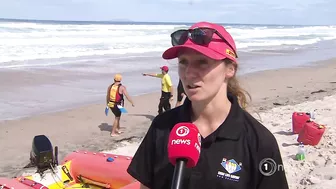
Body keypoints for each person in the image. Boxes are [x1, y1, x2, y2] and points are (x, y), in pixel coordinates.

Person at [127, 21, 289, 189]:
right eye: (183, 61)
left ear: (230, 69)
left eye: (202, 62)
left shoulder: (259, 141)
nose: (189, 73)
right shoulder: (162, 126)